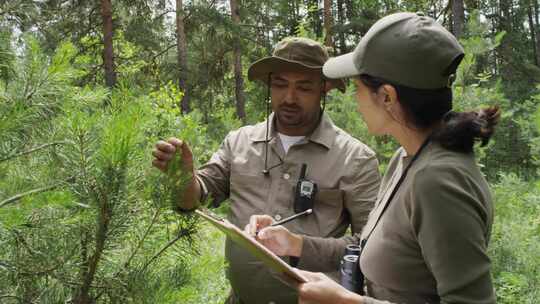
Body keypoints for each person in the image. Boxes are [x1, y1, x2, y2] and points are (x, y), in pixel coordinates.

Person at [247, 12, 499, 304]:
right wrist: (296, 244)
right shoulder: (408, 160)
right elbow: (369, 245)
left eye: (358, 88)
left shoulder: (438, 182)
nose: (355, 99)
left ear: (387, 97)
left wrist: (346, 302)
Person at [151, 37, 381, 304]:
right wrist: (182, 178)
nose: (289, 98)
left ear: (324, 88)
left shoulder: (355, 158)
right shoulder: (239, 143)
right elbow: (195, 198)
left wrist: (299, 244)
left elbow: (371, 248)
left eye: (304, 87)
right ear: (269, 85)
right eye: (280, 85)